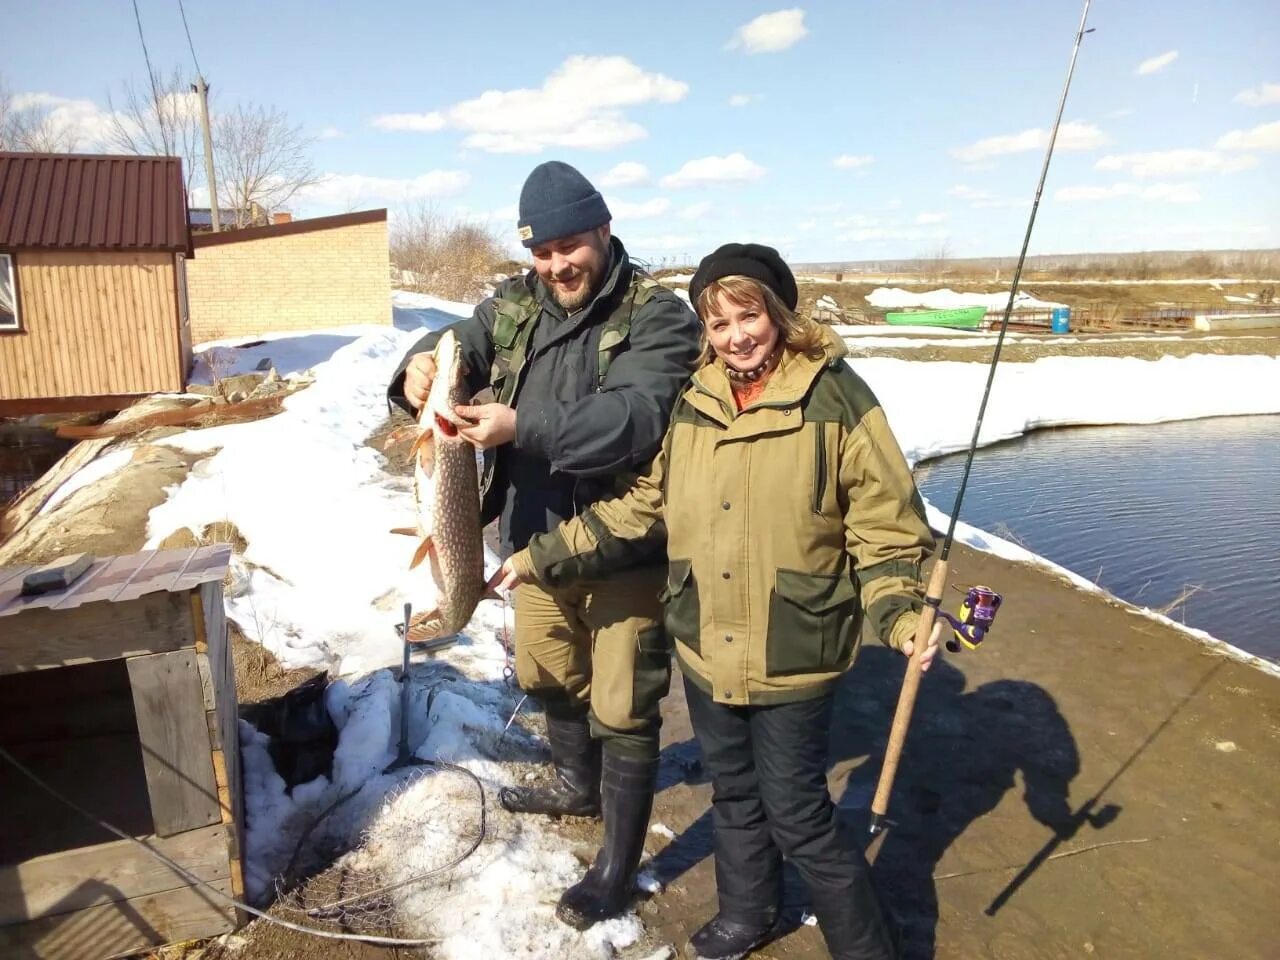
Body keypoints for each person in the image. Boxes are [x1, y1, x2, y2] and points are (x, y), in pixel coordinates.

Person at [491, 243, 941, 959]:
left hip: (794, 645)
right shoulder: (695, 400)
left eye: (748, 315)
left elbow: (888, 533)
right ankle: (749, 912)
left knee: (798, 814)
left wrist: (900, 611)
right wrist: (538, 558)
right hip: (705, 639)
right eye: (718, 321)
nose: (735, 335)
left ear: (779, 313)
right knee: (733, 792)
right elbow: (643, 505)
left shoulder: (838, 400)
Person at [386, 161, 702, 928]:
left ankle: (617, 869)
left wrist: (522, 426)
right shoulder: (519, 303)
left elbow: (636, 417)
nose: (558, 264)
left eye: (570, 244)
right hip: (533, 538)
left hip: (625, 539)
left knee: (625, 703)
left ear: (603, 229)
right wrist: (417, 369)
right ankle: (574, 783)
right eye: (541, 250)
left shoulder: (659, 316)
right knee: (547, 671)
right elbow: (461, 336)